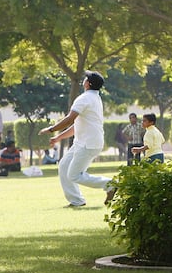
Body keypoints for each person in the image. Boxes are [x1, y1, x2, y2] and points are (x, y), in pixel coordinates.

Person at [39, 71, 115, 208]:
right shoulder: (94, 98)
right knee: (63, 166)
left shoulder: (84, 98)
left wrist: (51, 129)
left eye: (86, 78)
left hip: (88, 144)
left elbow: (69, 119)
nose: (83, 80)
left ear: (88, 83)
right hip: (83, 143)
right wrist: (58, 137)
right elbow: (76, 125)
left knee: (74, 175)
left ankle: (110, 184)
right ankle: (76, 200)